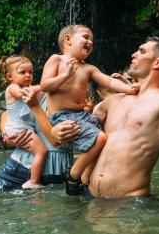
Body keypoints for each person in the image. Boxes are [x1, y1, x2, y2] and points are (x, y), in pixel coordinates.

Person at [52, 20, 159, 198]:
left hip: (131, 207)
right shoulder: (112, 102)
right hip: (90, 198)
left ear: (158, 62)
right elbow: (76, 131)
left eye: (142, 51)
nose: (134, 54)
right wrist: (55, 131)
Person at [40, 24, 140, 193]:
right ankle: (72, 175)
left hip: (82, 115)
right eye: (86, 37)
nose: (90, 42)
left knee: (103, 141)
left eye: (92, 40)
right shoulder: (56, 60)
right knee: (100, 139)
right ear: (68, 40)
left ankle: (84, 180)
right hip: (63, 117)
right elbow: (45, 85)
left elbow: (108, 81)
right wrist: (65, 75)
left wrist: (128, 89)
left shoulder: (88, 68)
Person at [0, 89, 73, 201]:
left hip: (57, 172)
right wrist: (7, 134)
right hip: (22, 166)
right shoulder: (39, 93)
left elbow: (57, 140)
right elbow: (8, 113)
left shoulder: (78, 96)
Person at [0, 55, 47, 189]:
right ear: (9, 77)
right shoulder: (12, 87)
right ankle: (34, 182)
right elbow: (24, 94)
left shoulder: (29, 88)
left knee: (40, 151)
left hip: (21, 129)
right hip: (19, 129)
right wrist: (44, 85)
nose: (28, 75)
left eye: (30, 72)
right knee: (41, 151)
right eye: (23, 72)